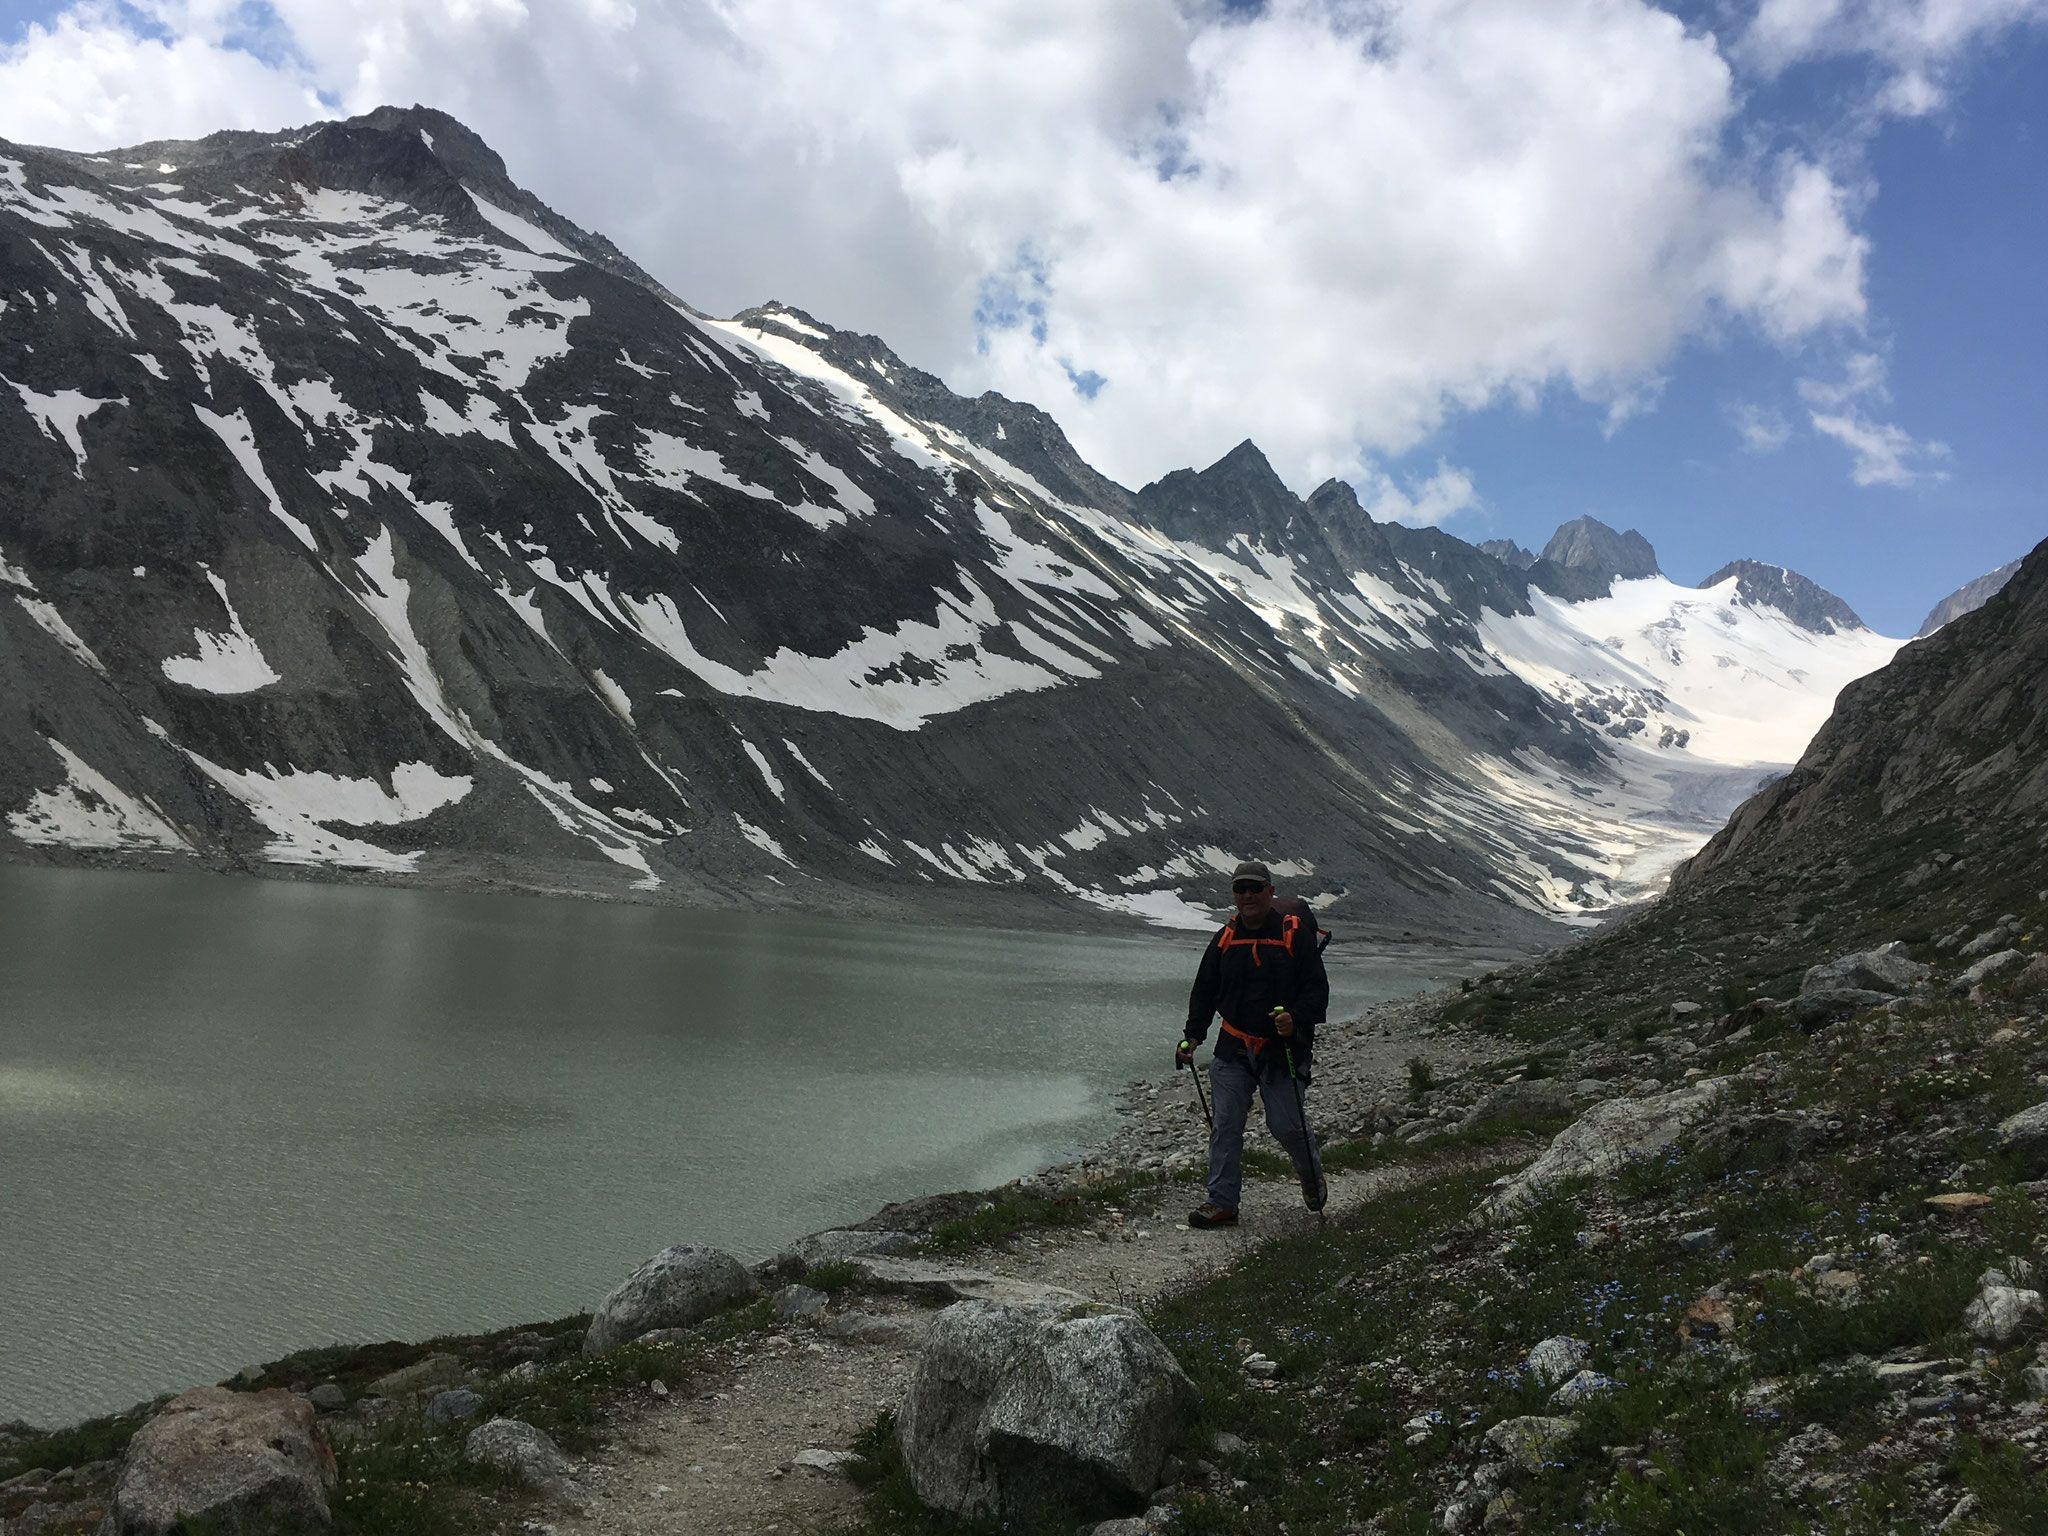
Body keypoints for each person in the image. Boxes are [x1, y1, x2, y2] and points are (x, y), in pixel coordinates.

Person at [1176, 859, 1328, 1229]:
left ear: (1270, 892)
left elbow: (1317, 990)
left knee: (1287, 1126)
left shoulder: (1294, 934)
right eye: (1240, 889)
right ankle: (1222, 1202)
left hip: (1282, 1050)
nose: (1247, 896)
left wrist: (1296, 1018)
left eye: (1255, 888)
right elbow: (1205, 990)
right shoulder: (1226, 937)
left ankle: (1311, 1175)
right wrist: (1193, 1035)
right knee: (1225, 1124)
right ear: (1233, 895)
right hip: (1234, 1046)